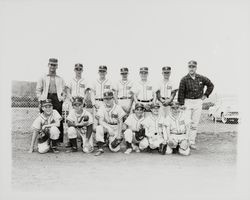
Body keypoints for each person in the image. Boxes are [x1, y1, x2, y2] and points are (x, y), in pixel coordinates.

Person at [178, 60, 214, 149]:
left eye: (193, 67)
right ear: (188, 67)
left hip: (198, 102)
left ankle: (192, 142)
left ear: (196, 67)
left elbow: (211, 85)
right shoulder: (184, 79)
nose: (191, 68)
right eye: (190, 67)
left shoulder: (201, 78)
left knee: (194, 123)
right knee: (187, 122)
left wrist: (205, 95)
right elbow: (181, 92)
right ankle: (185, 141)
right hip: (187, 102)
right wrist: (181, 104)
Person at [36, 58, 66, 143]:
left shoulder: (60, 78)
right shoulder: (43, 77)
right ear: (48, 65)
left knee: (58, 118)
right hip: (46, 97)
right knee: (44, 118)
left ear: (57, 66)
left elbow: (64, 91)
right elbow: (38, 90)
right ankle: (43, 138)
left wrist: (62, 99)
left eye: (54, 65)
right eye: (51, 64)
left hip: (57, 98)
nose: (53, 66)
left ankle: (58, 140)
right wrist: (40, 100)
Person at [95, 91, 126, 156]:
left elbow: (120, 122)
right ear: (103, 100)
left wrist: (118, 135)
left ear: (113, 99)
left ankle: (109, 140)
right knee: (99, 128)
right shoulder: (102, 107)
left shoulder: (118, 107)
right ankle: (100, 147)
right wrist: (108, 128)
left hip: (116, 127)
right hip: (107, 125)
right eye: (106, 99)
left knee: (114, 149)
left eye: (110, 98)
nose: (108, 100)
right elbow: (100, 121)